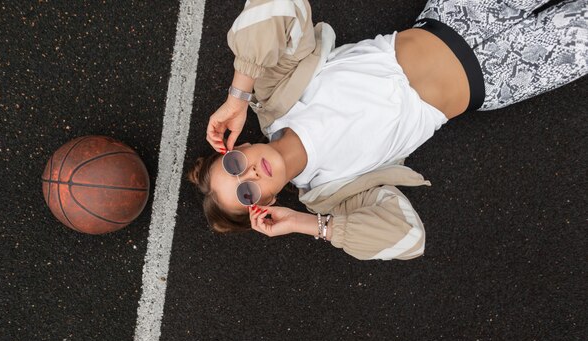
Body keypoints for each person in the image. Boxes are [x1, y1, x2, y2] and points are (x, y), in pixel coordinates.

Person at [189, 0, 587, 260]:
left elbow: (282, 6)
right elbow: (409, 238)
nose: (252, 173)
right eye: (247, 192)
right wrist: (305, 223)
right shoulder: (333, 195)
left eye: (235, 164)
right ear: (265, 201)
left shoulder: (275, 93)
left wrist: (238, 95)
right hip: (502, 75)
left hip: (460, 14)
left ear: (238, 145)